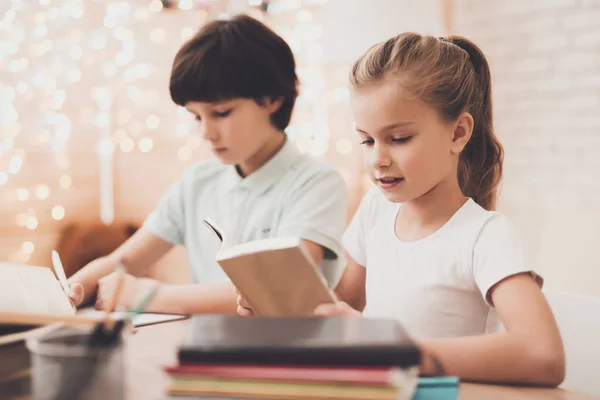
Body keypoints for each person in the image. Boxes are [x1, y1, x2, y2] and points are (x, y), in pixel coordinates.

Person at [238, 33, 565, 386]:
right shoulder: (375, 210)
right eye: (367, 140)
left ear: (458, 133)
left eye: (399, 139)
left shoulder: (485, 236)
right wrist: (278, 311)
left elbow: (543, 356)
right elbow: (343, 306)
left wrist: (390, 347)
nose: (377, 159)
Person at [68, 15, 347, 315]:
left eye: (221, 113)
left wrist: (148, 294)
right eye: (196, 116)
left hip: (286, 353)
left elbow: (274, 291)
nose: (206, 133)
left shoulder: (317, 184)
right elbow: (122, 262)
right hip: (205, 345)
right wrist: (68, 294)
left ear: (272, 99)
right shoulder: (197, 182)